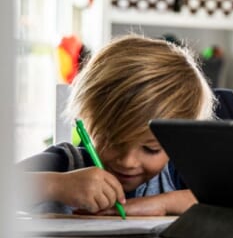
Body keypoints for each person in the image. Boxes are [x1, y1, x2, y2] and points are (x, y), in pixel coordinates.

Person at [18, 34, 214, 216]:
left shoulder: (176, 171)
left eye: (150, 149)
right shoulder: (66, 163)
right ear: (87, 118)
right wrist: (56, 186)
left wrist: (162, 204)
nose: (128, 162)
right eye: (113, 140)